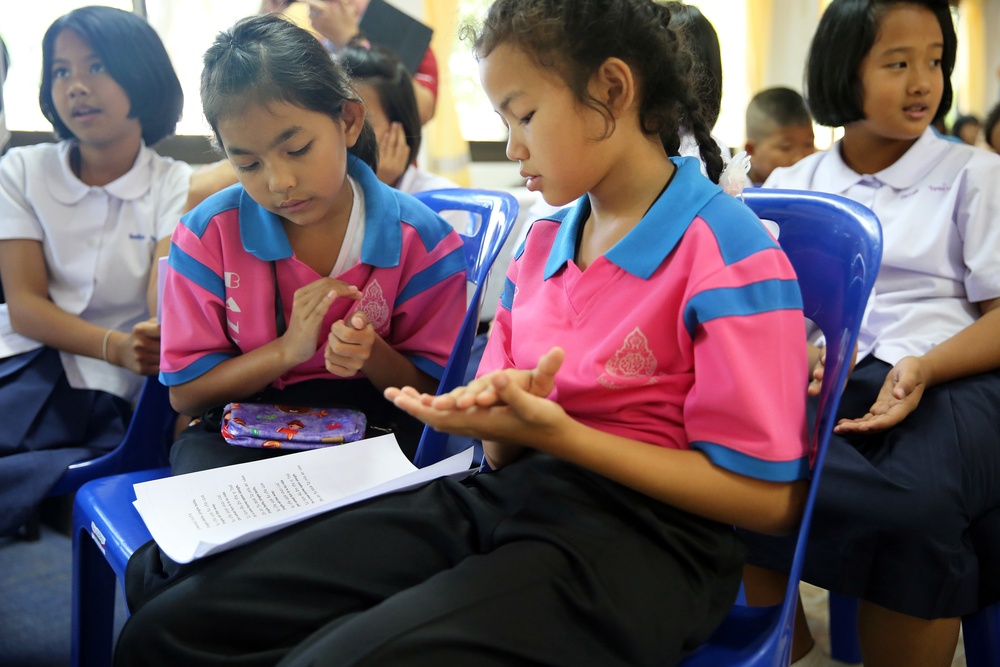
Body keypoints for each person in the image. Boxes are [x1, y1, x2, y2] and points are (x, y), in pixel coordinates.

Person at [113, 2, 810, 665]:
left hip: (648, 542)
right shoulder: (543, 244)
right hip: (503, 495)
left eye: (525, 115)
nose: (512, 146)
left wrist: (557, 434)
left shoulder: (726, 248)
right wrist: (495, 421)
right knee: (173, 625)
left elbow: (768, 502)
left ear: (613, 89)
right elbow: (503, 451)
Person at [739, 2, 1000, 666]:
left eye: (936, 60)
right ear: (842, 70)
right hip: (826, 375)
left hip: (951, 377)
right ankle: (783, 646)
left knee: (917, 511)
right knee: (726, 463)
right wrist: (792, 348)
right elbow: (762, 306)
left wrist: (926, 367)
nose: (923, 83)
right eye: (898, 63)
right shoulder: (797, 184)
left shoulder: (974, 175)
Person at [159, 14, 466, 476]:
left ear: (348, 120)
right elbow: (187, 393)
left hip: (374, 426)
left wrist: (374, 355)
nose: (280, 182)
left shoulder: (422, 239)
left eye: (298, 149)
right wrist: (287, 350)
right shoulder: (207, 236)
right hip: (243, 425)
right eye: (248, 163)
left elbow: (435, 390)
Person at [0, 6, 190, 537]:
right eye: (61, 71)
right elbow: (25, 306)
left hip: (102, 388)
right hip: (19, 356)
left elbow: (163, 301)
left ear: (142, 73)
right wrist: (115, 344)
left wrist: (150, 335)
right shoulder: (21, 169)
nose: (77, 87)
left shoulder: (172, 182)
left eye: (97, 66)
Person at [265, 0, 439, 125]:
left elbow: (421, 112)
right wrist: (269, 13)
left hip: (395, 169)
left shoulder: (411, 39)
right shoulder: (307, 48)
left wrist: (350, 41)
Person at [743, 86, 815, 186]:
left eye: (809, 144)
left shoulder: (817, 186)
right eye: (786, 148)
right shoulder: (734, 193)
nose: (800, 158)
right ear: (751, 150)